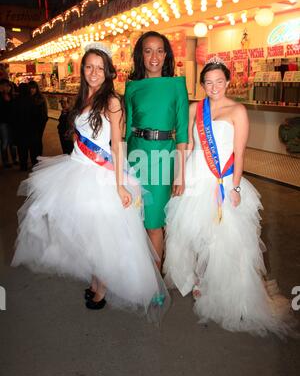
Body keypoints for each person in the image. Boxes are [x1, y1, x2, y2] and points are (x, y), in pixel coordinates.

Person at [12, 43, 169, 321]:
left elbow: (118, 146)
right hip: (77, 170)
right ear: (83, 69)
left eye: (99, 68)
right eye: (89, 67)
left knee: (103, 238)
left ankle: (102, 289)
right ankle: (96, 282)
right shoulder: (82, 98)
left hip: (101, 175)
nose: (94, 72)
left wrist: (120, 184)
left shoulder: (112, 101)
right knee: (88, 234)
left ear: (108, 72)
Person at [163, 58, 296, 337]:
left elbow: (240, 153)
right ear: (202, 84)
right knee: (192, 233)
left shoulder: (238, 110)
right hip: (196, 176)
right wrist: (180, 176)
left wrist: (234, 187)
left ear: (227, 81)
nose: (214, 87)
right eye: (208, 82)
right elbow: (185, 145)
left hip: (222, 180)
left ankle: (222, 287)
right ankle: (199, 278)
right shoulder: (194, 109)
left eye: (219, 81)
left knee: (223, 238)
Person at [125, 31, 189, 269]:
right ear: (140, 55)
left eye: (160, 50)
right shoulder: (132, 87)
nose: (154, 56)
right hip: (135, 155)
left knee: (154, 221)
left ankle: (154, 281)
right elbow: (126, 131)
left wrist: (180, 173)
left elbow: (182, 133)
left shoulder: (176, 85)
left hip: (163, 157)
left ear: (166, 55)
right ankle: (138, 273)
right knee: (133, 218)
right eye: (148, 50)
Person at [27, 80, 48, 165]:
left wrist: (42, 122)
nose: (32, 90)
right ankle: (34, 159)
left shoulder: (40, 98)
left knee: (38, 140)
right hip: (30, 123)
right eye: (30, 88)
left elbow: (44, 112)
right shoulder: (27, 98)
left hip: (39, 123)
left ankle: (39, 158)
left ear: (36, 88)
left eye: (33, 88)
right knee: (33, 141)